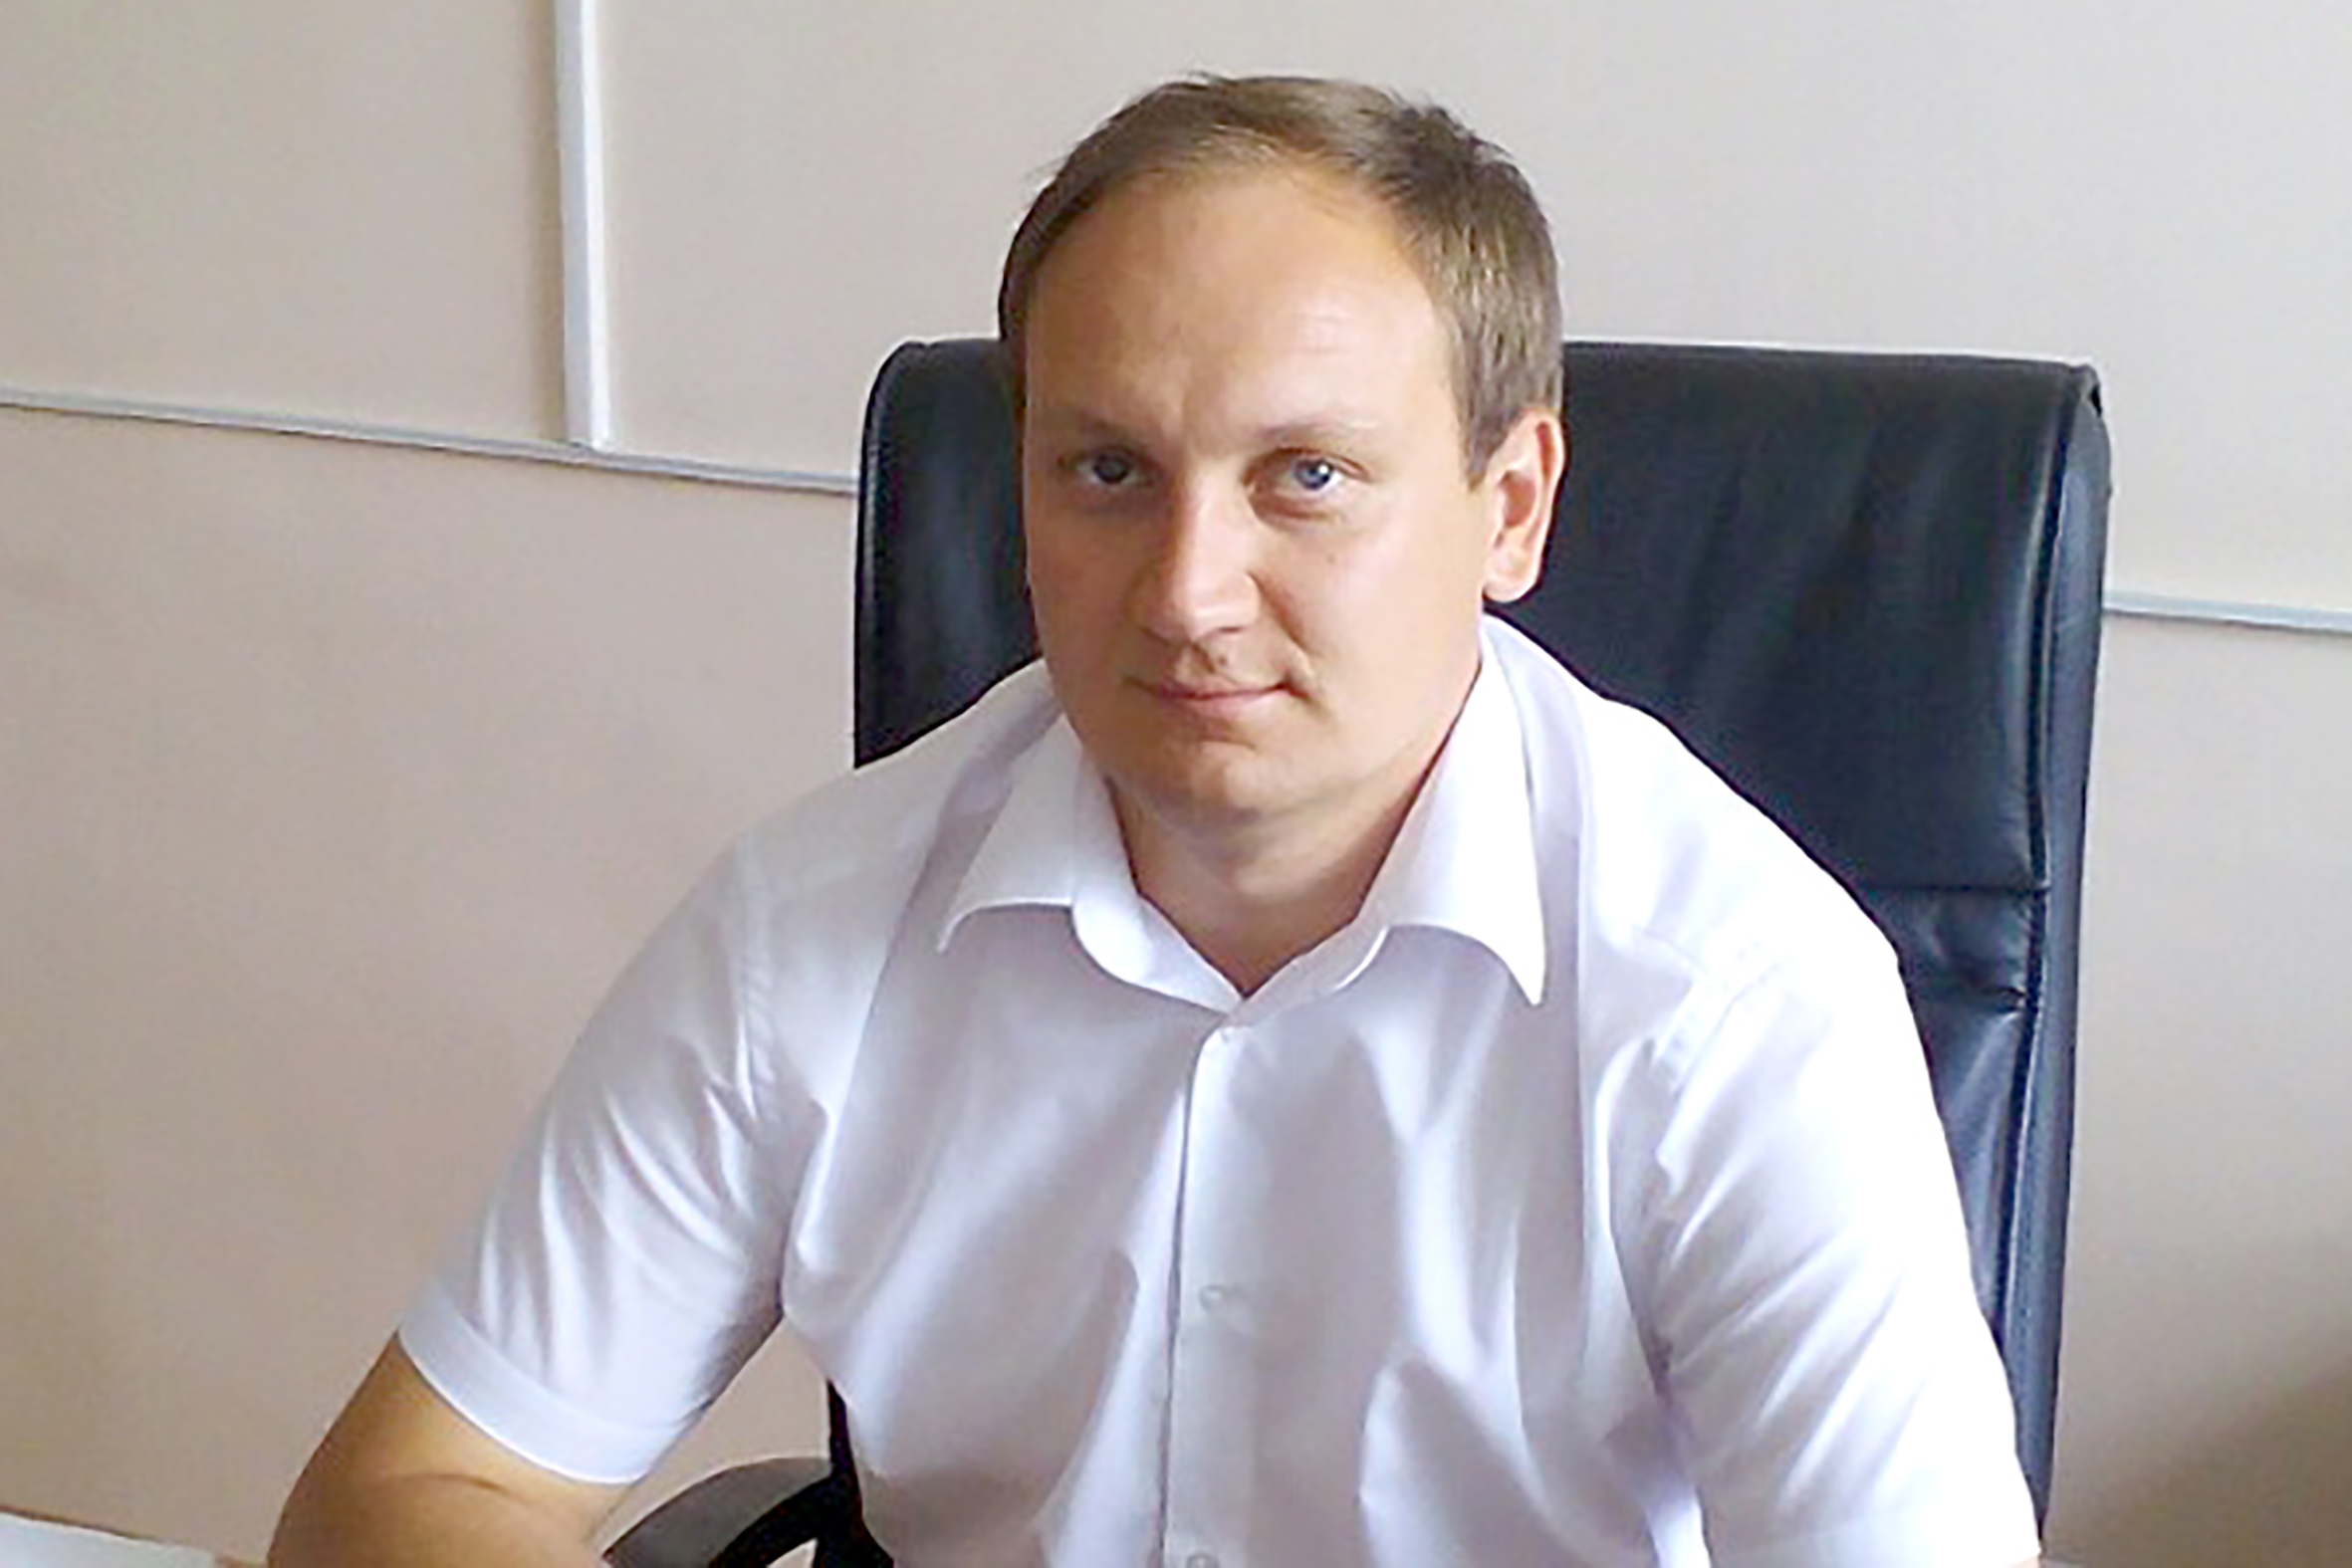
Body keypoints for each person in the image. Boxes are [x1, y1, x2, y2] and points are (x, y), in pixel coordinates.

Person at [271, 76, 2042, 1567]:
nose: (1188, 595)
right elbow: (415, 1489)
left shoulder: (1733, 998)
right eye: (1107, 470)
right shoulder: (811, 929)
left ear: (1508, 506)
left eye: (1306, 477)